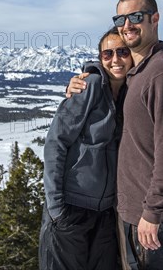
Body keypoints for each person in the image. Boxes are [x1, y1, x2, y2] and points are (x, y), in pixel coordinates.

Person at [67, 0, 163, 270]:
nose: (127, 25)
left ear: (155, 19)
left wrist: (153, 211)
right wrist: (78, 84)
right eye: (121, 18)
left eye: (136, 16)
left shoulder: (162, 74)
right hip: (134, 211)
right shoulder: (138, 71)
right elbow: (111, 70)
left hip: (153, 218)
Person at [39, 27, 133, 270]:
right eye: (107, 54)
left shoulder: (129, 92)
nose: (115, 59)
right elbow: (55, 142)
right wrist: (57, 208)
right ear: (100, 58)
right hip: (71, 208)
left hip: (104, 213)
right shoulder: (89, 85)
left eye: (122, 52)